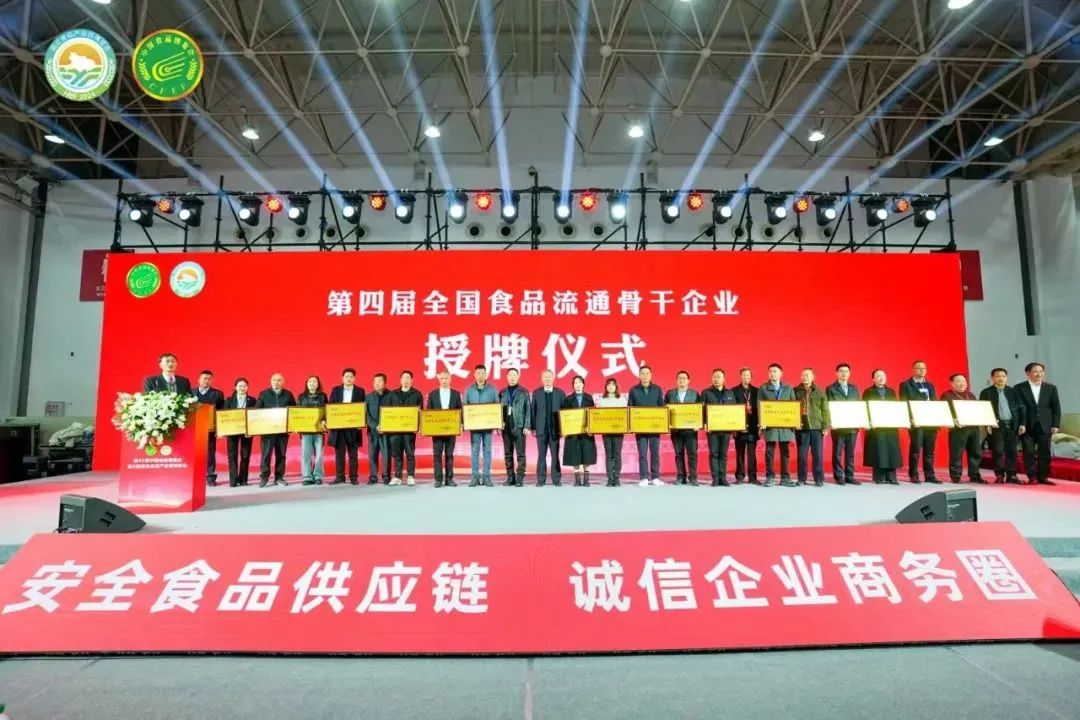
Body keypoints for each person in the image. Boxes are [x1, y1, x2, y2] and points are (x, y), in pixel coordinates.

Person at [1016, 361, 1061, 486]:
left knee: (1045, 453)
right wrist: (1020, 424)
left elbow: (1056, 408)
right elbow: (1017, 408)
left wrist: (1056, 425)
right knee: (1029, 452)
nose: (1039, 374)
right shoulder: (1019, 388)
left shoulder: (1051, 388)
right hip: (1026, 426)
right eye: (1035, 372)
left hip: (1045, 425)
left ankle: (1043, 477)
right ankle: (1032, 477)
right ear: (1028, 373)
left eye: (1041, 372)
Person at [979, 368, 1024, 484]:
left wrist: (1022, 423)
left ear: (1006, 378)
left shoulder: (1013, 391)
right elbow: (983, 409)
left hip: (1012, 425)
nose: (1001, 378)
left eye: (1003, 376)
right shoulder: (986, 392)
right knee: (998, 451)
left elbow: (1021, 408)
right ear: (993, 378)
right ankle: (999, 474)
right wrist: (987, 423)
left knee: (1012, 451)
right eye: (998, 376)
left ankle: (1012, 475)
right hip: (997, 425)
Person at [899, 360, 940, 484]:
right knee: (915, 450)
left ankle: (930, 475)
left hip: (931, 421)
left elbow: (934, 402)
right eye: (918, 368)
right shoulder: (906, 385)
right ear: (913, 370)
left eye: (924, 368)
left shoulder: (930, 385)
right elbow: (904, 403)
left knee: (930, 451)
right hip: (916, 422)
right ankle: (914, 474)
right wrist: (909, 419)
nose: (922, 370)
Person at [759, 363, 796, 487]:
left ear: (781, 373)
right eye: (770, 371)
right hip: (770, 426)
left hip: (785, 426)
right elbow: (760, 407)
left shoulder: (788, 388)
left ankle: (785, 478)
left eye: (775, 371)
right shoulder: (763, 388)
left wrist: (794, 423)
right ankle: (770, 477)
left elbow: (794, 406)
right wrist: (761, 423)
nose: (772, 374)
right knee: (769, 452)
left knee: (785, 452)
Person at [255, 373, 296, 488]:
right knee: (266, 455)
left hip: (282, 431)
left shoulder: (288, 395)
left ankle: (279, 477)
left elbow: (294, 411)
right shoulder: (263, 394)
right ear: (271, 381)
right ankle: (264, 477)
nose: (276, 382)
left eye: (279, 380)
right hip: (267, 431)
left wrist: (293, 426)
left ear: (283, 382)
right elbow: (256, 411)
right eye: (274, 380)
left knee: (281, 455)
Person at [941, 373, 983, 484]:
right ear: (951, 383)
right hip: (958, 429)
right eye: (959, 381)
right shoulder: (947, 395)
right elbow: (943, 412)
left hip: (973, 428)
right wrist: (953, 420)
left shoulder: (970, 395)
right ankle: (956, 476)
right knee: (956, 454)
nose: (962, 384)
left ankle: (975, 475)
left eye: (964, 381)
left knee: (975, 452)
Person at [862, 369, 902, 485]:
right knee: (878, 451)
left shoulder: (891, 391)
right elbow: (865, 407)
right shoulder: (868, 392)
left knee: (891, 450)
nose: (881, 378)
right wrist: (868, 421)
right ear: (873, 379)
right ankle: (879, 477)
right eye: (878, 376)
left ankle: (891, 477)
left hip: (890, 425)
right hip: (876, 426)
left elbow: (896, 408)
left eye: (883, 375)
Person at [328, 368, 365, 485]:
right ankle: (340, 477)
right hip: (339, 428)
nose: (349, 378)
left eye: (351, 376)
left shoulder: (360, 391)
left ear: (354, 378)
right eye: (346, 376)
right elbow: (330, 407)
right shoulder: (335, 390)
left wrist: (362, 422)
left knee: (353, 454)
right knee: (339, 454)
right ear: (342, 378)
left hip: (354, 428)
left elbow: (363, 409)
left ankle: (354, 478)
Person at [628, 365, 664, 487]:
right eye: (643, 373)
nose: (645, 376)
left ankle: (655, 477)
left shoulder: (657, 389)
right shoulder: (633, 390)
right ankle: (643, 477)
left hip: (654, 427)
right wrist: (632, 426)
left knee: (655, 453)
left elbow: (662, 408)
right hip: (640, 427)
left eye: (647, 373)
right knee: (642, 454)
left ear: (651, 375)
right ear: (639, 375)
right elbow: (630, 408)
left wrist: (662, 424)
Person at [385, 371, 423, 486]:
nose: (406, 380)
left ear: (412, 380)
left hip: (409, 430)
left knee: (410, 453)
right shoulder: (393, 394)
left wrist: (419, 426)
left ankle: (411, 476)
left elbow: (420, 412)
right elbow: (386, 411)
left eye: (408, 378)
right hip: (395, 430)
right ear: (400, 380)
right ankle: (397, 477)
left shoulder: (417, 394)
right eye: (404, 378)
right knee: (397, 454)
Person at [826, 363, 861, 486]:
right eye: (841, 371)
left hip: (852, 426)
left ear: (849, 373)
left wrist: (861, 420)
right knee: (837, 453)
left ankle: (850, 476)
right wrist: (830, 422)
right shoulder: (830, 388)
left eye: (846, 371)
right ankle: (839, 476)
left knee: (850, 453)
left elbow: (858, 406)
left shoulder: (854, 388)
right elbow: (827, 407)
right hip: (838, 426)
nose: (844, 373)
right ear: (836, 373)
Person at [464, 364, 499, 487]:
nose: (480, 375)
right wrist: (464, 423)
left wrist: (497, 424)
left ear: (486, 375)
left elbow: (497, 406)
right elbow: (465, 407)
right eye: (478, 373)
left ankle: (486, 477)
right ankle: (475, 477)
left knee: (487, 451)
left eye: (483, 373)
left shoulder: (492, 389)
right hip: (474, 427)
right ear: (474, 375)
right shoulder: (469, 390)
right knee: (475, 451)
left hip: (488, 427)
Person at [794, 368, 830, 487]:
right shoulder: (795, 391)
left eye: (807, 375)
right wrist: (794, 423)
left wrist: (825, 426)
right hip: (801, 428)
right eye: (803, 375)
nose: (805, 377)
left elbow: (825, 410)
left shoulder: (820, 392)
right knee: (802, 456)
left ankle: (818, 479)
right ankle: (801, 478)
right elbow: (791, 409)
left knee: (818, 455)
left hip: (816, 428)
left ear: (813, 377)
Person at [529, 369, 566, 487]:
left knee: (555, 455)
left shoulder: (560, 393)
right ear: (542, 379)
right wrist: (533, 427)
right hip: (541, 429)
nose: (548, 379)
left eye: (550, 377)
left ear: (553, 378)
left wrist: (564, 429)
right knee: (541, 455)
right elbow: (533, 411)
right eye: (545, 377)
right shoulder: (537, 393)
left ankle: (556, 479)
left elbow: (565, 413)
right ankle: (541, 479)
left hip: (555, 430)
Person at [701, 368, 737, 487]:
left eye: (719, 377)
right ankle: (715, 478)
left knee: (723, 454)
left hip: (726, 429)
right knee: (714, 453)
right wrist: (704, 423)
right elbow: (701, 410)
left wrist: (734, 425)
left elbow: (734, 411)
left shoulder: (730, 393)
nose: (716, 379)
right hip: (712, 429)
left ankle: (723, 477)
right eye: (714, 377)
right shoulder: (706, 392)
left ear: (724, 379)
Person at [665, 370, 701, 486]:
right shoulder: (670, 394)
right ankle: (681, 477)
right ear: (676, 380)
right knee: (678, 454)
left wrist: (699, 424)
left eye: (684, 378)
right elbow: (665, 411)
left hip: (691, 431)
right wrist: (667, 426)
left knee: (692, 454)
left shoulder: (695, 394)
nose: (682, 380)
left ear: (688, 381)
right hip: (676, 430)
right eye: (680, 378)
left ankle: (693, 477)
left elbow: (700, 410)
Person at [427, 371, 462, 488]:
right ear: (439, 380)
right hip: (437, 430)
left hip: (451, 429)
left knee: (449, 455)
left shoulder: (456, 394)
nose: (444, 380)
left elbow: (460, 411)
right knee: (437, 455)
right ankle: (438, 479)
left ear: (450, 379)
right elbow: (428, 413)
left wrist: (460, 424)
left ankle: (449, 479)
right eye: (442, 378)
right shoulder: (433, 394)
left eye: (446, 378)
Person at [562, 375, 597, 486]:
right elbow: (564, 415)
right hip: (573, 432)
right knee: (574, 454)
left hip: (586, 432)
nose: (577, 385)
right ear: (573, 385)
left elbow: (593, 415)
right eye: (575, 383)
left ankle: (586, 480)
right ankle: (577, 480)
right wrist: (565, 430)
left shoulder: (589, 398)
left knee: (587, 454)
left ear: (583, 384)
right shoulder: (568, 399)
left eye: (580, 383)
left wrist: (591, 428)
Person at [192, 369, 225, 487]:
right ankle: (196, 476)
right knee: (195, 453)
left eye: (209, 379)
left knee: (210, 453)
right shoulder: (191, 392)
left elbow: (221, 412)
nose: (207, 381)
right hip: (194, 429)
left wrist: (220, 429)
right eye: (204, 378)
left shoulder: (218, 394)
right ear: (199, 380)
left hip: (210, 429)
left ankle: (210, 477)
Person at [500, 368, 531, 486]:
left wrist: (527, 426)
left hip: (519, 425)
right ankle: (510, 478)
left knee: (520, 454)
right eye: (510, 375)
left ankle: (520, 478)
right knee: (508, 453)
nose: (512, 377)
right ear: (507, 377)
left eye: (514, 375)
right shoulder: (502, 392)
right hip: (505, 426)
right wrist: (499, 424)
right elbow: (498, 410)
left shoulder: (524, 392)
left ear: (518, 377)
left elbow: (528, 410)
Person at [297, 376, 328, 486]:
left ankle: (318, 476)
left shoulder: (323, 396)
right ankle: (307, 477)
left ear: (318, 384)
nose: (312, 383)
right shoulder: (301, 397)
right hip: (305, 430)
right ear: (307, 384)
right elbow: (297, 413)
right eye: (310, 381)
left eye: (314, 381)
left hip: (319, 430)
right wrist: (296, 425)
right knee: (306, 454)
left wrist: (325, 420)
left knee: (319, 454)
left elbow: (327, 411)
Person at [224, 377, 254, 487]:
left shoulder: (252, 400)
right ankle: (233, 480)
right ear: (235, 387)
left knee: (245, 455)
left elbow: (255, 417)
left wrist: (252, 430)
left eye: (244, 386)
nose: (242, 388)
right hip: (232, 431)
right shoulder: (229, 400)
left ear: (247, 387)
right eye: (240, 386)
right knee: (232, 455)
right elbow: (224, 416)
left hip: (247, 432)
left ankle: (243, 479)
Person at [731, 368, 760, 485]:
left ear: (751, 377)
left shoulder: (757, 391)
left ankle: (753, 477)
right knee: (740, 453)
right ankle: (740, 476)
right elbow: (731, 409)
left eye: (748, 375)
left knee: (752, 454)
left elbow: (761, 410)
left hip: (753, 427)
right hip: (739, 427)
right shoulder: (734, 391)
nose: (746, 377)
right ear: (740, 376)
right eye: (744, 375)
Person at [597, 378, 627, 486]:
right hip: (606, 431)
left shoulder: (621, 400)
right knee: (609, 455)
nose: (611, 387)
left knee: (617, 454)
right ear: (606, 387)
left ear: (616, 387)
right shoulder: (601, 400)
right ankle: (610, 478)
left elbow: (625, 415)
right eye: (609, 385)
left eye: (613, 385)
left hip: (618, 431)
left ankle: (617, 478)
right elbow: (598, 416)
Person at [365, 373, 391, 485]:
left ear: (385, 382)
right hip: (373, 431)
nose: (377, 383)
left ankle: (386, 476)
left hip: (387, 431)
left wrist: (385, 425)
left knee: (386, 455)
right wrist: (375, 425)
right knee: (372, 455)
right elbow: (366, 414)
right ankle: (373, 477)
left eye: (380, 381)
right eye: (375, 381)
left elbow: (394, 412)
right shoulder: (368, 397)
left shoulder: (391, 395)